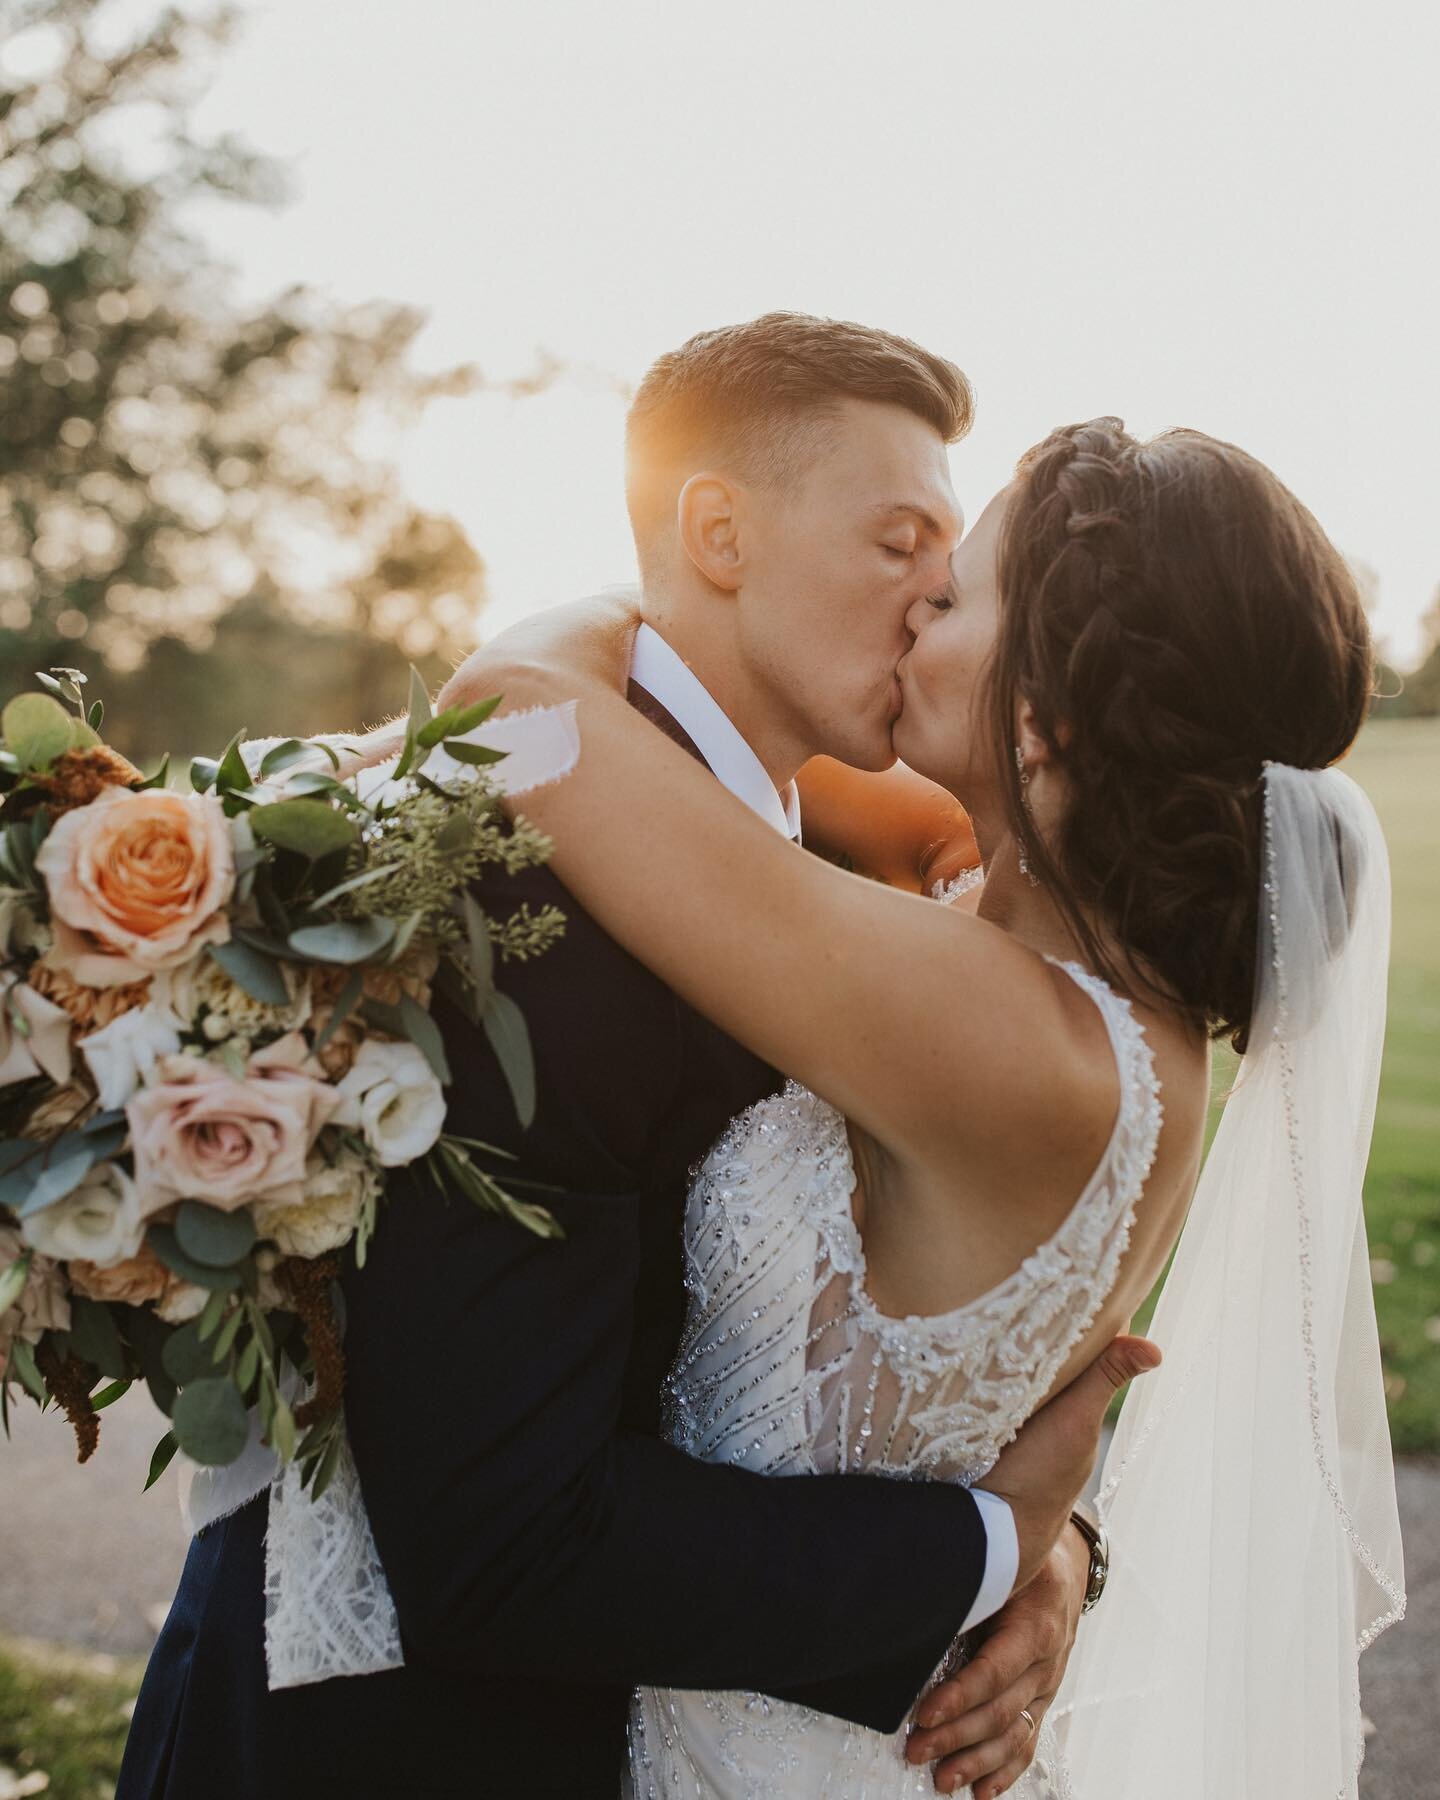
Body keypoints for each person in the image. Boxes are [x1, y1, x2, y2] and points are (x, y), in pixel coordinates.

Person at [116, 315, 1130, 1800]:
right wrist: (983, 1551)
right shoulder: (531, 883)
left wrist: (1045, 1554)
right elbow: (504, 1540)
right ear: (716, 530)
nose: (937, 598)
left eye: (950, 554)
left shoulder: (770, 872)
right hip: (392, 1752)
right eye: (901, 538)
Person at [449, 409, 1402, 1796]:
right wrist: (1039, 1547)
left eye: (951, 594)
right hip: (809, 1706)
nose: (910, 610)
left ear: (1042, 715)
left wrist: (685, 581)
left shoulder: (1003, 1037)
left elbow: (516, 716)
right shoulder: (1078, 992)